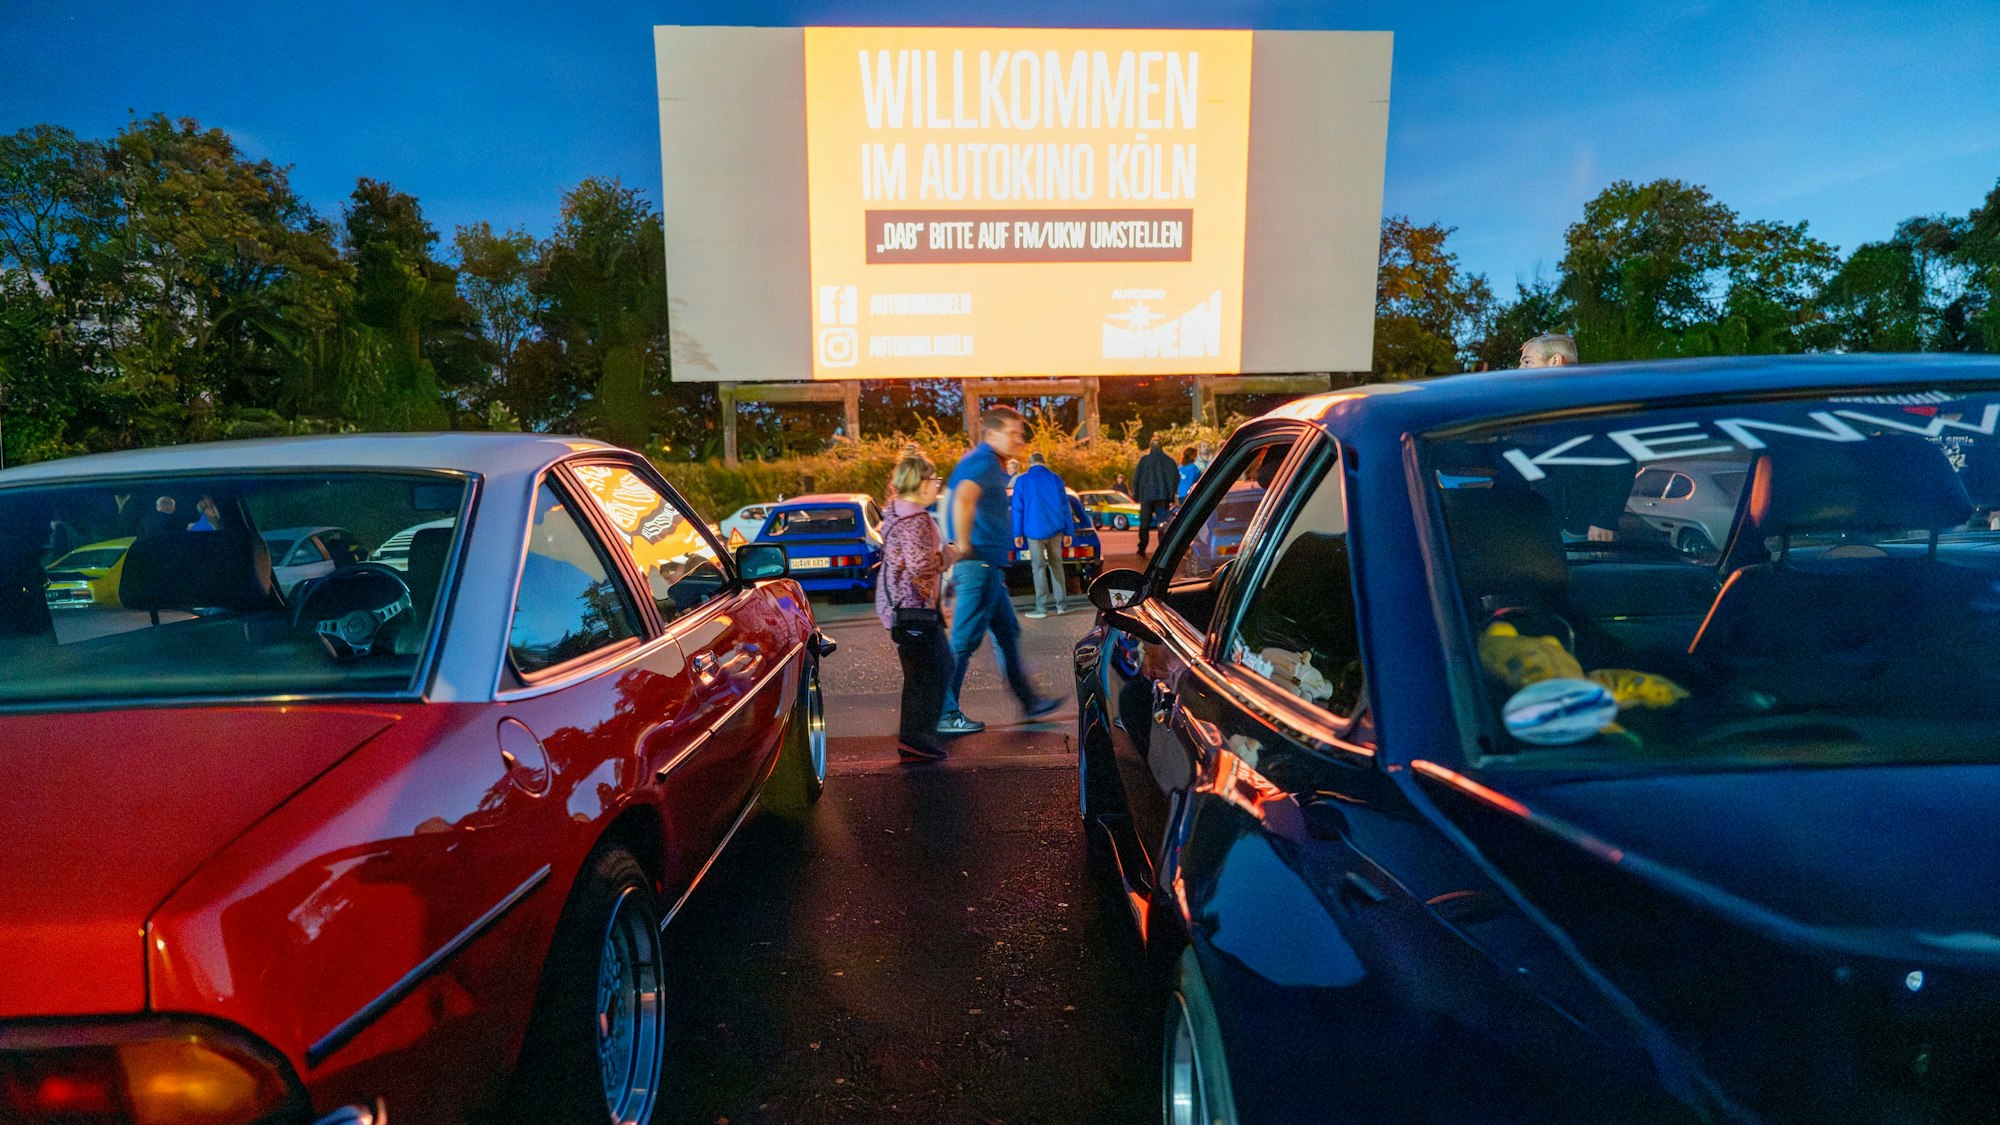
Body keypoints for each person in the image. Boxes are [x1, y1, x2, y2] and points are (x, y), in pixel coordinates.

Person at [938, 405, 1060, 735]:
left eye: (1021, 434)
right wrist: (962, 544)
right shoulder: (984, 460)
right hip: (978, 565)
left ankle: (1029, 701)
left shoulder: (989, 462)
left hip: (988, 565)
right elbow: (963, 498)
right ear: (992, 433)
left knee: (1007, 635)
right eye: (1014, 433)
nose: (1019, 439)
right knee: (963, 640)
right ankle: (944, 712)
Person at [877, 455, 954, 762]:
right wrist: (950, 556)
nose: (937, 487)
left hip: (900, 605)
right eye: (934, 481)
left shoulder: (896, 513)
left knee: (921, 673)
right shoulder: (916, 518)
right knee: (937, 668)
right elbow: (920, 565)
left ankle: (915, 738)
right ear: (921, 483)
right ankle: (917, 739)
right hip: (914, 608)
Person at [1516, 333, 1621, 540]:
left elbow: (1619, 464)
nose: (1520, 370)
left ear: (1555, 361)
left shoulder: (1592, 407)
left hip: (1579, 532)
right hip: (1538, 529)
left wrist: (1604, 519)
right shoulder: (1529, 411)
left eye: (1527, 362)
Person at [1010, 452, 1074, 619]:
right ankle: (1061, 605)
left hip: (1034, 531)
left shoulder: (1022, 480)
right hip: (1056, 530)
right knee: (1057, 566)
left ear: (1030, 464)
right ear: (1044, 463)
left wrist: (1017, 533)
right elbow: (1065, 506)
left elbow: (1017, 508)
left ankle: (1042, 608)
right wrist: (1069, 531)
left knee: (1038, 568)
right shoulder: (1056, 479)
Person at [1132, 436, 1179, 557]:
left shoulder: (1144, 461)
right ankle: (1162, 550)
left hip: (1146, 496)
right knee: (1162, 523)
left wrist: (1136, 495)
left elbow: (1136, 479)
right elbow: (1175, 479)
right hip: (1163, 496)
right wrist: (1171, 495)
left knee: (1144, 524)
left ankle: (1142, 548)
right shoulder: (1169, 461)